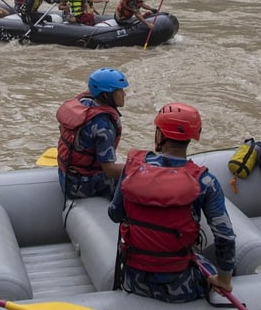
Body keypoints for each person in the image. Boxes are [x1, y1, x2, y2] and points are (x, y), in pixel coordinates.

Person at [108, 103, 236, 303]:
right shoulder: (205, 181)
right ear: (193, 137)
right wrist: (224, 280)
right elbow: (225, 237)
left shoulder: (132, 169)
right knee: (213, 266)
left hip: (134, 279)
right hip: (181, 286)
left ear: (159, 135)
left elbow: (115, 214)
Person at [56, 67, 128, 199]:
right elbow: (109, 170)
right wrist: (139, 169)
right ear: (106, 95)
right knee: (131, 183)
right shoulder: (102, 125)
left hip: (66, 176)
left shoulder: (84, 104)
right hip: (81, 186)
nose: (124, 94)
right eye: (119, 91)